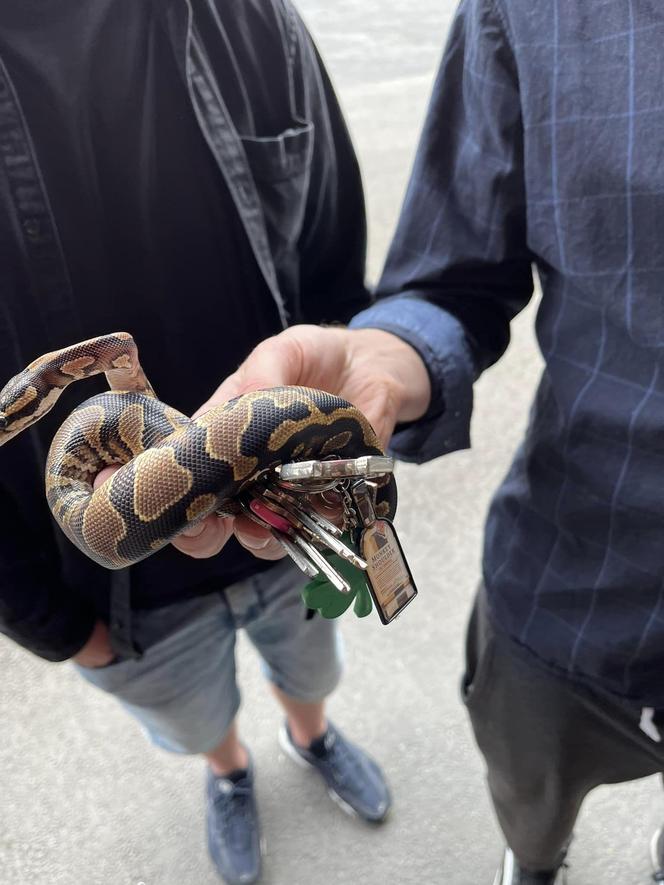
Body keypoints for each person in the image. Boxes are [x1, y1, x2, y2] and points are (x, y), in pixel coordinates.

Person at [208, 1, 664, 882]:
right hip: (575, 582)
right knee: (530, 796)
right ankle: (534, 863)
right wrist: (391, 353)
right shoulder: (531, 13)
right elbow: (452, 281)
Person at [0, 2, 391, 884]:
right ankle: (230, 771)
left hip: (290, 536)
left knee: (313, 664)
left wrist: (354, 485)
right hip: (121, 601)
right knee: (193, 722)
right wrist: (60, 631)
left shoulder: (249, 18)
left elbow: (337, 273)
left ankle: (311, 735)